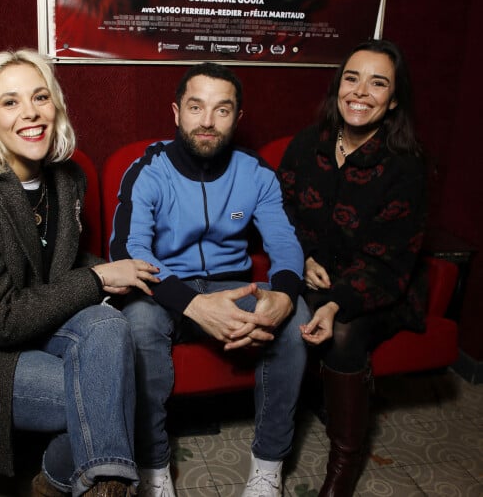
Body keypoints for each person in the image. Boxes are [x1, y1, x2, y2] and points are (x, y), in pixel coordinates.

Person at [0, 49, 160, 497]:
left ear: (55, 107)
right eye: (9, 102)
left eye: (40, 97)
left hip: (39, 321)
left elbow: (56, 266)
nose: (31, 112)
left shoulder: (67, 179)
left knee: (108, 324)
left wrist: (117, 272)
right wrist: (101, 278)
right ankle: (95, 484)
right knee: (105, 399)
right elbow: (2, 322)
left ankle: (62, 479)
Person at [110, 62, 310, 497]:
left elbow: (285, 241)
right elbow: (128, 252)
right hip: (166, 288)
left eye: (222, 110)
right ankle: (154, 468)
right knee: (138, 324)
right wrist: (193, 304)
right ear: (176, 112)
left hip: (232, 285)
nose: (206, 121)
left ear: (237, 118)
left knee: (296, 320)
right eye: (195, 107)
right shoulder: (148, 168)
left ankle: (268, 465)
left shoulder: (256, 172)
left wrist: (286, 296)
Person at [277, 39, 428, 496]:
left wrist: (338, 300)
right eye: (352, 78)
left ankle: (347, 456)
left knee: (341, 331)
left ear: (394, 99)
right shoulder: (307, 145)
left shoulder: (407, 167)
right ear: (338, 86)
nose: (361, 92)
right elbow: (280, 215)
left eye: (378, 83)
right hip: (314, 277)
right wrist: (299, 258)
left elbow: (391, 261)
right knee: (282, 305)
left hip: (381, 288)